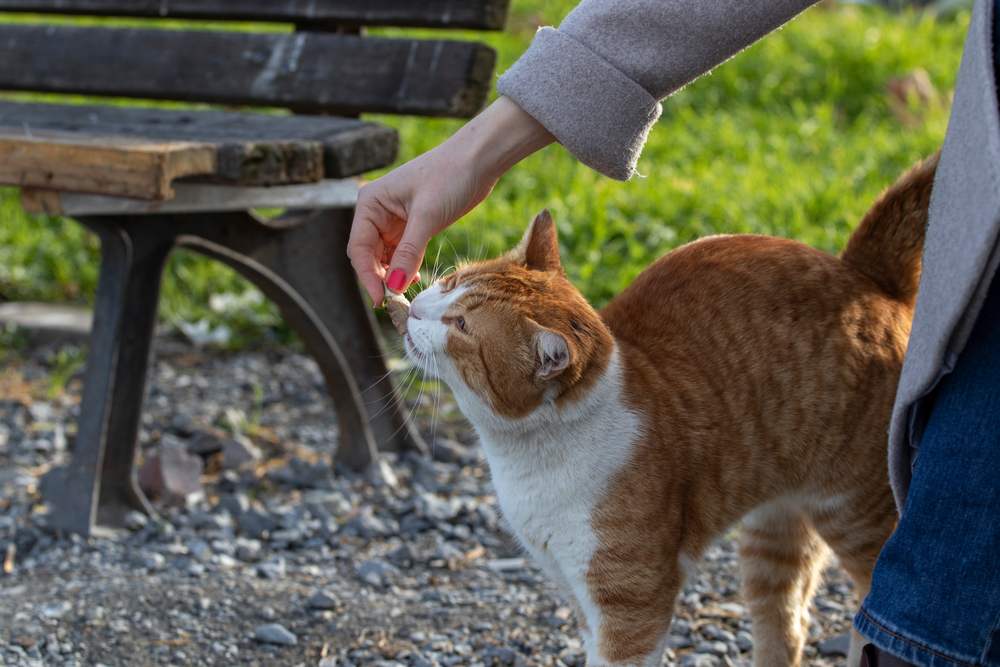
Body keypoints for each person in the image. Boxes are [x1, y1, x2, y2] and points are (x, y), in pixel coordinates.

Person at [347, 1, 1000, 665]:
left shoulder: (560, 375)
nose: (420, 312)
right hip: (756, 374)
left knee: (877, 555)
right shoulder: (550, 369)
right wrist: (478, 152)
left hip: (836, 370)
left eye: (455, 312)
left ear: (547, 365)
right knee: (770, 544)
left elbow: (637, 603)